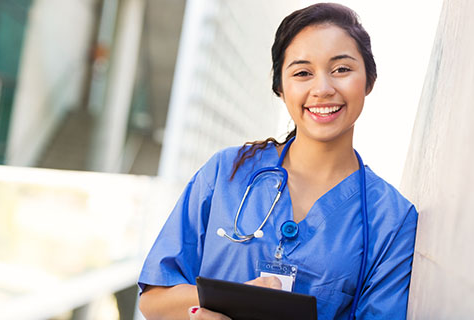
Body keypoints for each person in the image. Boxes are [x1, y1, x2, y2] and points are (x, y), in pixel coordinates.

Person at [137, 3, 418, 319]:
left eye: (341, 69)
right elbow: (154, 298)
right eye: (302, 73)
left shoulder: (392, 220)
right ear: (280, 88)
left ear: (369, 80)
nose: (323, 89)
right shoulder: (227, 172)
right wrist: (204, 311)